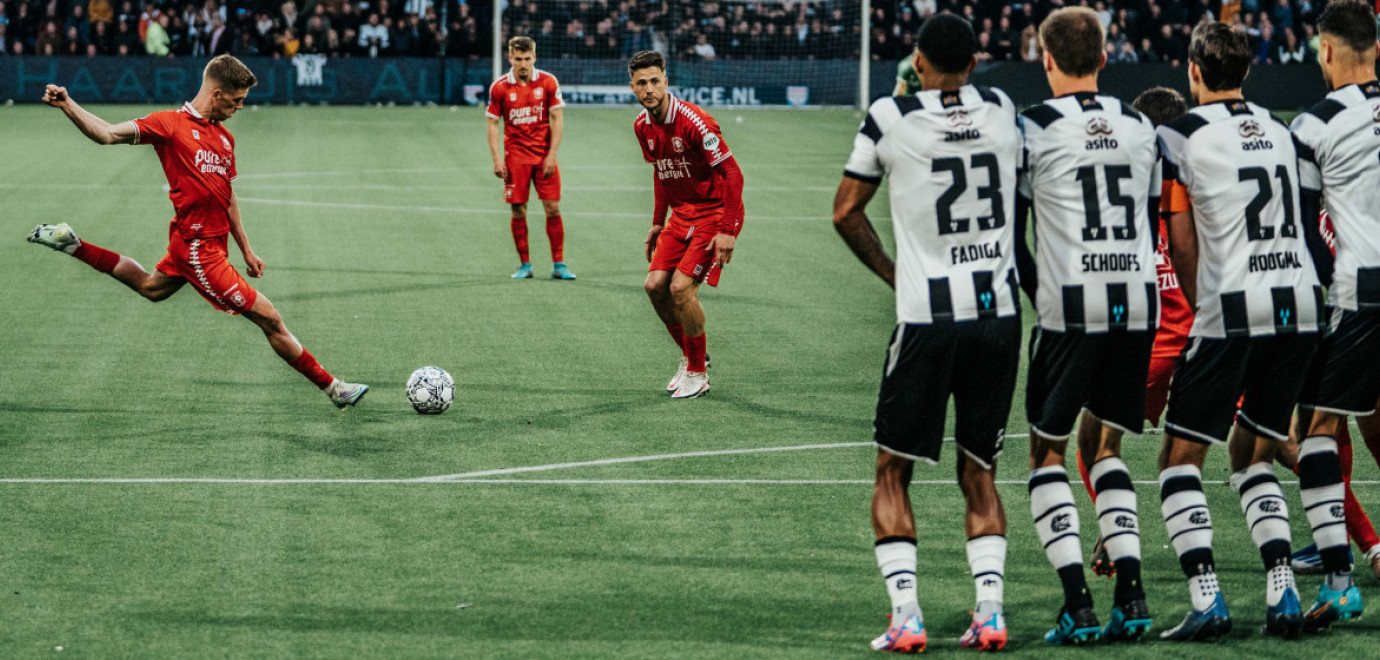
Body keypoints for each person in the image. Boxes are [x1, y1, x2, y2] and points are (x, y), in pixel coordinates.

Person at [27, 55, 368, 409]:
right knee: (270, 318)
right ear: (217, 94)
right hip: (197, 249)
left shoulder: (224, 139)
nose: (239, 108)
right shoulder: (169, 125)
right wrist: (68, 105)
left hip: (207, 245)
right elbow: (107, 134)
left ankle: (73, 244)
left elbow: (227, 195)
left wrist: (247, 250)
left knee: (151, 287)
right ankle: (334, 388)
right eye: (236, 101)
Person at [833, 14, 1021, 653]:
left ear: (916, 60)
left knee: (892, 470)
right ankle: (990, 613)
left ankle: (907, 617)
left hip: (927, 318)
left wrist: (896, 274)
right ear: (976, 61)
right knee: (980, 469)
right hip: (997, 316)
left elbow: (845, 212)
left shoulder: (889, 116)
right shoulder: (1001, 109)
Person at [1153, 21, 1333, 641]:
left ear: (1193, 72)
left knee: (1179, 459)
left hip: (1233, 305)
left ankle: (1208, 600)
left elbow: (1178, 235)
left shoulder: (1177, 133)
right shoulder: (1283, 128)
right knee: (1252, 451)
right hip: (1301, 303)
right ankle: (1282, 594)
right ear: (1249, 72)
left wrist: (1204, 305)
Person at [1013, 7, 1160, 645]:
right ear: (1104, 58)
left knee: (1047, 450)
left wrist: (1036, 291)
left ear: (1046, 59)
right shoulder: (1139, 125)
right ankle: (1132, 594)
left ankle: (1078, 600)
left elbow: (1013, 232)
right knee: (1104, 448)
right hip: (1137, 300)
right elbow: (1153, 218)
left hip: (1070, 304)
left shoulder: (1033, 127)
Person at [1076, 85, 1196, 580]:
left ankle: (1112, 525)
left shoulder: (1130, 186)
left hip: (1151, 345)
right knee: (1280, 445)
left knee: (1094, 437)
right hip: (1210, 337)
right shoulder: (1199, 180)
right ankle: (1354, 542)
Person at [1288, 0, 1380, 629]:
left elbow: (1305, 230)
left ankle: (1341, 580)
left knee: (1315, 431)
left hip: (1363, 292)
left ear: (1325, 50)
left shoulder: (1313, 124)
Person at [628, 50, 744, 399]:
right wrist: (655, 223)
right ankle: (694, 358)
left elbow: (733, 174)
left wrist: (727, 230)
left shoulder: (695, 122)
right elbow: (661, 173)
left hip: (715, 211)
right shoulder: (641, 126)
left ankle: (697, 372)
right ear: (632, 87)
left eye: (654, 81)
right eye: (641, 83)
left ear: (666, 80)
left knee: (680, 288)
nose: (649, 88)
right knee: (654, 287)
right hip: (681, 215)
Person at [486, 36, 575, 280]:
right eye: (518, 59)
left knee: (553, 208)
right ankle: (525, 265)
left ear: (534, 58)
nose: (523, 64)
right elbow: (493, 124)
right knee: (518, 211)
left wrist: (552, 154)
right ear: (510, 58)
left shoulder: (548, 82)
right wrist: (497, 159)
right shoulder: (500, 87)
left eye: (527, 59)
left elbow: (557, 119)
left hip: (543, 157)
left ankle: (559, 264)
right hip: (515, 159)